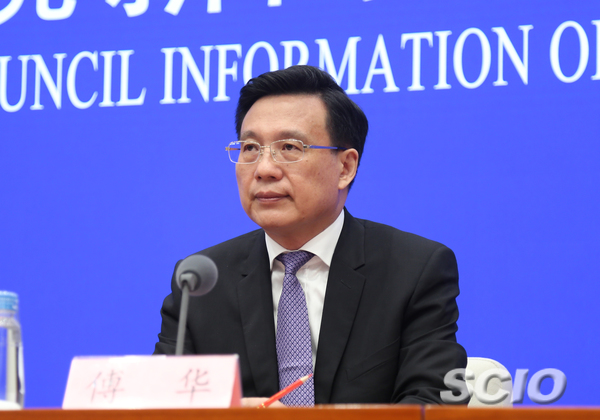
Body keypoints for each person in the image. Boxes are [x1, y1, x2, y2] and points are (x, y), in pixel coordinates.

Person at [154, 65, 467, 406]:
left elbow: (433, 403)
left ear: (345, 167)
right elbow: (160, 404)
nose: (264, 169)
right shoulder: (201, 281)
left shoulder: (413, 270)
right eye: (250, 148)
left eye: (289, 147)